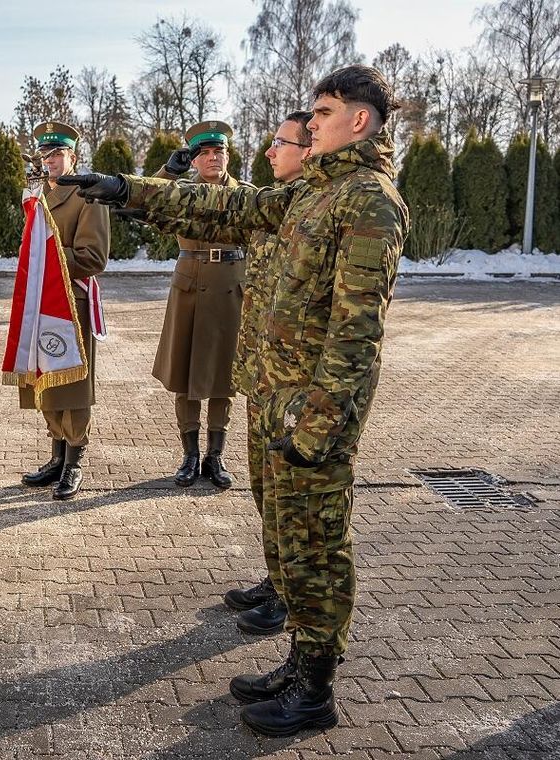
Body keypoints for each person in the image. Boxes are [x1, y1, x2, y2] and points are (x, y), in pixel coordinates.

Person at [59, 64, 408, 738]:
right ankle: (298, 662)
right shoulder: (312, 191)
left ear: (359, 119)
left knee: (317, 549)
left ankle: (315, 690)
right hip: (277, 400)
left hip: (310, 417)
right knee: (286, 540)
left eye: (323, 112)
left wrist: (317, 427)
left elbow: (356, 331)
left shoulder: (367, 199)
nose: (312, 124)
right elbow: (227, 209)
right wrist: (129, 190)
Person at [225, 111, 313, 638]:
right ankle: (277, 578)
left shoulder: (317, 209)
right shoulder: (275, 204)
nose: (269, 151)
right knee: (264, 488)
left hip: (291, 387)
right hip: (261, 379)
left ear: (308, 149)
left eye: (280, 142)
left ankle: (290, 597)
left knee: (288, 499)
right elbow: (206, 210)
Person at [151, 120, 251, 490]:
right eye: (204, 152)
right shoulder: (181, 192)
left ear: (228, 155)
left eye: (218, 151)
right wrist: (168, 171)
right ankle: (190, 455)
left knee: (225, 377)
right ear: (193, 160)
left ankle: (215, 455)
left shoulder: (246, 195)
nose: (213, 157)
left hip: (230, 287)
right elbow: (148, 200)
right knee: (186, 374)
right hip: (190, 287)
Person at [18, 120, 109, 500]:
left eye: (57, 153)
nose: (50, 160)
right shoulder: (37, 196)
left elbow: (94, 257)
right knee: (45, 378)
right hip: (40, 302)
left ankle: (74, 460)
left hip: (72, 302)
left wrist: (46, 254)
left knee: (71, 384)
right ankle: (56, 456)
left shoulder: (87, 197)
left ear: (72, 156)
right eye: (45, 154)